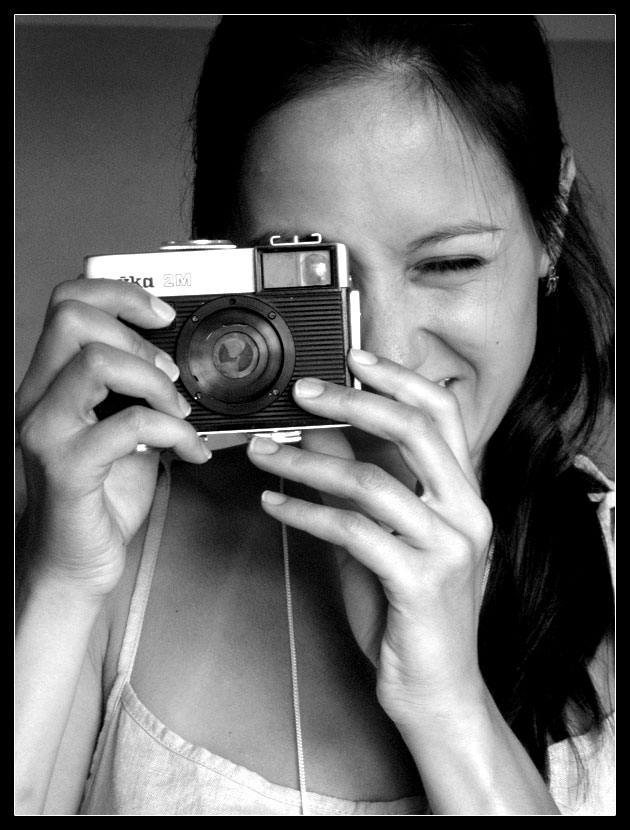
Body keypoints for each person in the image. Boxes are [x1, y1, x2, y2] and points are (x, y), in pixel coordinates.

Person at [15, 15, 614, 816]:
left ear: (553, 221)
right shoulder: (112, 541)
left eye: (449, 263)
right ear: (227, 262)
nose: (386, 350)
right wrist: (60, 580)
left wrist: (449, 707)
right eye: (315, 280)